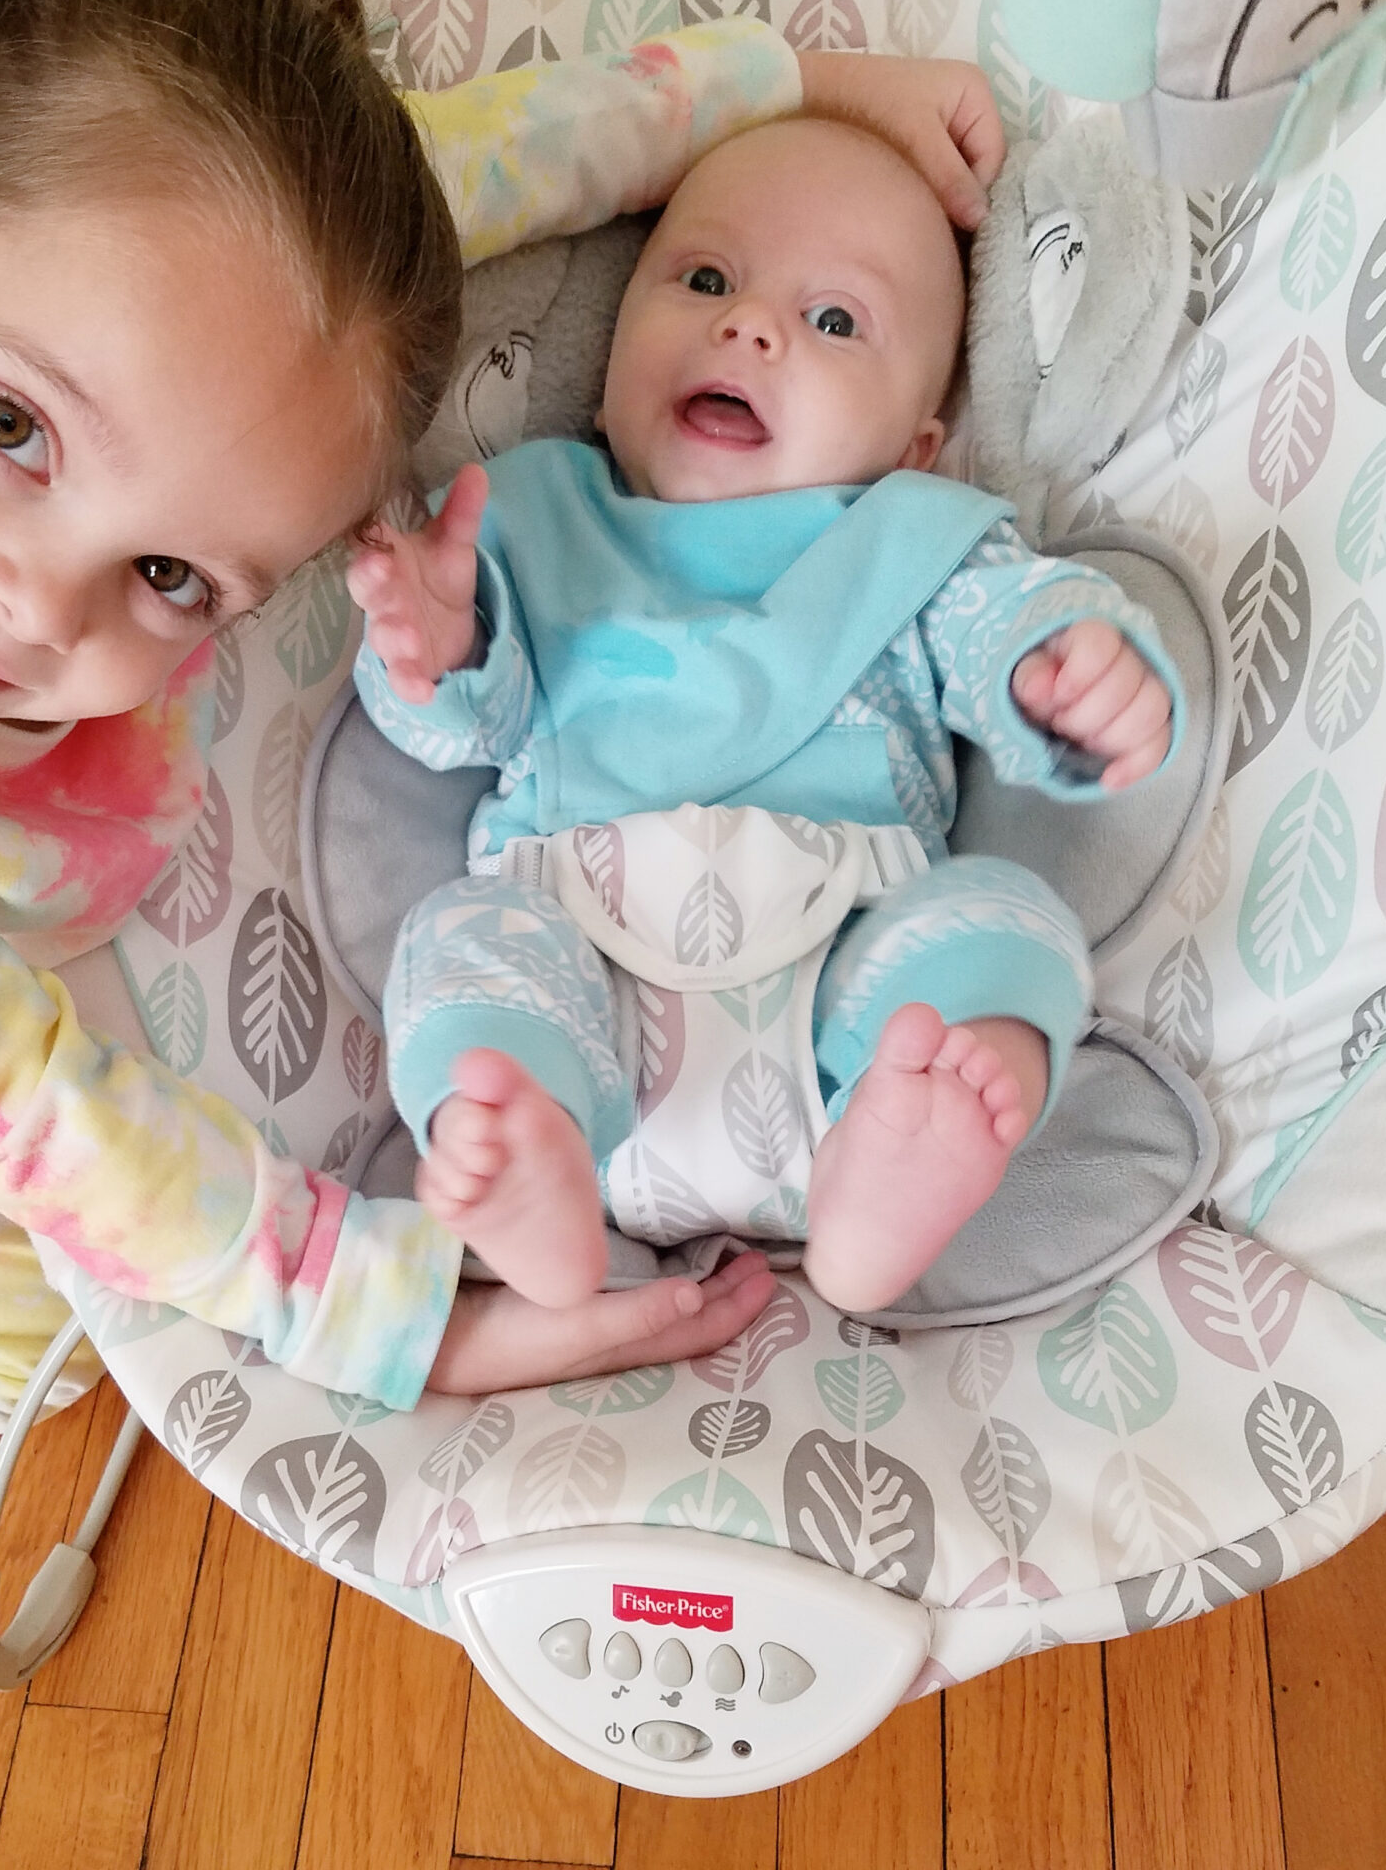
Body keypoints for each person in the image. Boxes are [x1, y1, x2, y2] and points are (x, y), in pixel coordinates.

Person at [0, 0, 1014, 1454]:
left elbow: (512, 152)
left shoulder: (86, 279)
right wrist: (394, 1312)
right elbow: (8, 1099)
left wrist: (811, 90)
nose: (37, 615)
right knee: (36, 1324)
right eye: (7, 429)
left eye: (171, 575)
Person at [352, 115, 1181, 1320]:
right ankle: (528, 1153)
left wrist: (1063, 664)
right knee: (460, 941)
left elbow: (1005, 618)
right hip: (582, 980)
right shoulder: (525, 516)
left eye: (833, 320)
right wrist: (432, 648)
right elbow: (454, 729)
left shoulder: (912, 537)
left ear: (916, 444)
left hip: (851, 1005)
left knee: (1010, 924)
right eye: (702, 278)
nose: (747, 324)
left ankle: (885, 1181)